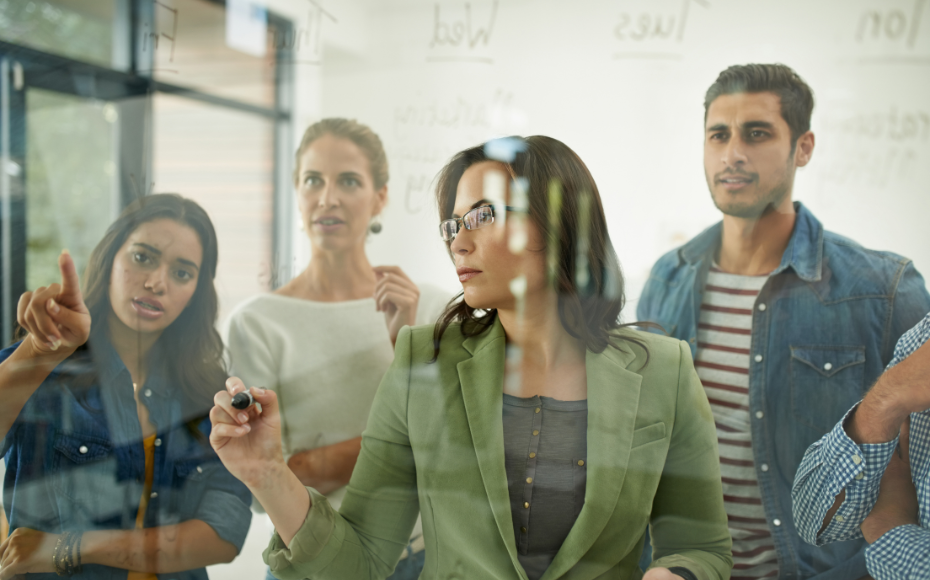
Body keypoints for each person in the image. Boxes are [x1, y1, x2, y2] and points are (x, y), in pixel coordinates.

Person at [212, 135, 733, 580]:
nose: (459, 242)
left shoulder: (664, 370)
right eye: (452, 224)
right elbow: (362, 559)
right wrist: (267, 473)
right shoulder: (424, 363)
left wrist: (677, 573)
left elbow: (703, 545)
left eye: (481, 216)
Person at [635, 63, 930, 579]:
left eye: (757, 133)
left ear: (804, 147)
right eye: (718, 135)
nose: (732, 154)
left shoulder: (884, 289)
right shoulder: (668, 278)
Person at [223, 118, 448, 579]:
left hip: (424, 563)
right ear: (297, 192)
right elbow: (269, 481)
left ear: (380, 196)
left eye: (349, 180)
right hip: (312, 561)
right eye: (313, 180)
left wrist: (402, 344)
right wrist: (405, 436)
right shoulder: (258, 322)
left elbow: (451, 448)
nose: (328, 197)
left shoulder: (431, 306)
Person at [0, 194, 252, 578]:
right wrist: (39, 352)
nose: (156, 283)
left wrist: (73, 547)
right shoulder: (45, 364)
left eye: (182, 273)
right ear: (111, 257)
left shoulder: (209, 393)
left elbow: (223, 533)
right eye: (142, 257)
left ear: (197, 291)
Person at [792, 312, 930, 580]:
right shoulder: (925, 332)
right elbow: (812, 520)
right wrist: (880, 404)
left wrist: (888, 529)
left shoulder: (892, 282)